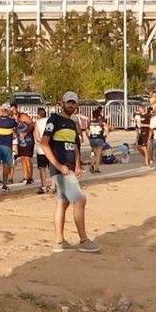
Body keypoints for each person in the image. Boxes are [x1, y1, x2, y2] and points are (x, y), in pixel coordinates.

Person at [38, 96, 99, 252]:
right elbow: (44, 143)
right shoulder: (54, 120)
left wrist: (78, 165)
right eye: (69, 102)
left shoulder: (72, 123)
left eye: (74, 103)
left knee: (63, 202)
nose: (71, 105)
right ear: (62, 103)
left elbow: (75, 146)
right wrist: (58, 165)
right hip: (61, 168)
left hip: (70, 167)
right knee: (80, 200)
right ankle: (83, 240)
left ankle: (59, 241)